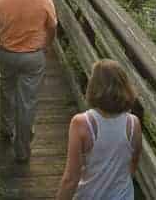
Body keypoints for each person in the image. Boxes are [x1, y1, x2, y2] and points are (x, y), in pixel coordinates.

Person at [0, 0, 58, 162]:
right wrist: (47, 45)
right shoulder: (45, 0)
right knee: (27, 102)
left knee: (6, 90)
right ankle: (22, 150)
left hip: (6, 53)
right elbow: (52, 28)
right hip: (33, 57)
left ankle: (6, 129)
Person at [56, 60, 142, 200]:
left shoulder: (81, 123)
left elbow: (71, 178)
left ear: (94, 86)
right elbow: (134, 161)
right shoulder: (133, 123)